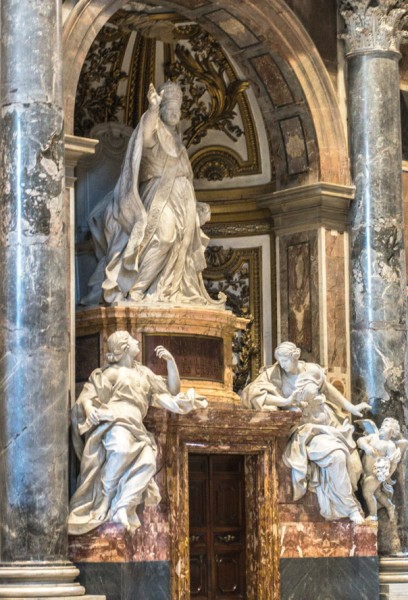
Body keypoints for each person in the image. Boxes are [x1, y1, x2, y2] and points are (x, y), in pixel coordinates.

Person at [81, 81, 223, 307]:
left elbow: (184, 178)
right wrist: (153, 109)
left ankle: (166, 291)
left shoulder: (179, 144)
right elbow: (145, 135)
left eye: (178, 107)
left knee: (181, 246)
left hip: (182, 203)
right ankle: (136, 291)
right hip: (158, 198)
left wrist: (196, 206)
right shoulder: (153, 134)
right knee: (164, 237)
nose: (176, 111)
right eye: (170, 106)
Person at [68, 330, 207, 535]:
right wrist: (91, 411)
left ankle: (122, 506)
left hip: (136, 424)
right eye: (132, 340)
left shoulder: (144, 373)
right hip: (116, 419)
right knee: (121, 451)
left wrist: (171, 362)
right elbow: (88, 396)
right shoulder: (112, 373)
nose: (137, 341)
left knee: (149, 463)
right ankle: (105, 500)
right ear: (124, 348)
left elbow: (173, 390)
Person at [283, 372, 365, 523]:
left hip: (334, 439)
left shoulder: (324, 408)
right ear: (305, 398)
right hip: (313, 441)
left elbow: (335, 427)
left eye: (317, 394)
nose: (319, 398)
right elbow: (294, 432)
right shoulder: (299, 412)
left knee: (356, 466)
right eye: (314, 397)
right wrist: (317, 429)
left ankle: (348, 503)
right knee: (337, 457)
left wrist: (345, 429)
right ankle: (350, 508)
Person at [240, 341, 370, 418]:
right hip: (297, 423)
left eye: (285, 361)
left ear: (295, 357)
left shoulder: (312, 370)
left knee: (342, 453)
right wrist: (286, 402)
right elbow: (253, 393)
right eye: (279, 361)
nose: (282, 364)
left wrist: (351, 407)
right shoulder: (274, 373)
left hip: (321, 416)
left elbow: (327, 390)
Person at [357, 417, 406, 521]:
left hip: (375, 475)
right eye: (383, 425)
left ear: (392, 432)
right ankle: (389, 506)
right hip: (364, 471)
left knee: (367, 492)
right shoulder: (373, 437)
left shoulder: (390, 445)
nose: (383, 427)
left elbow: (393, 464)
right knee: (377, 493)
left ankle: (373, 515)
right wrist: (366, 447)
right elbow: (360, 440)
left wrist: (386, 476)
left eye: (387, 426)